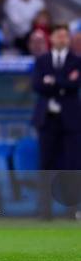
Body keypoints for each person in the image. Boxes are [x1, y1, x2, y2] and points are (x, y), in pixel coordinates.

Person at [32, 25, 81, 171]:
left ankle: (72, 194)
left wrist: (52, 81)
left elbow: (75, 84)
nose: (62, 39)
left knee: (72, 164)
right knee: (46, 164)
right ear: (51, 38)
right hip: (47, 119)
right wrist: (64, 82)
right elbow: (37, 86)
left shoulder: (77, 61)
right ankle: (46, 194)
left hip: (71, 120)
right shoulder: (42, 61)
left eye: (65, 36)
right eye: (59, 35)